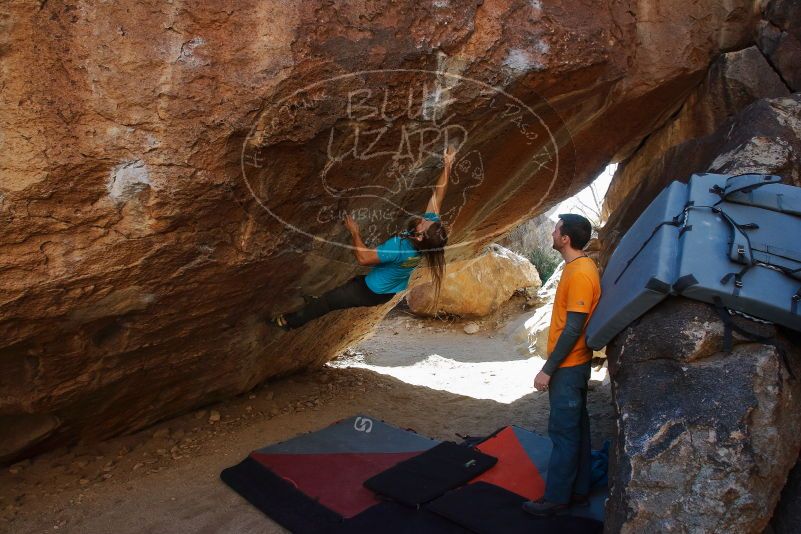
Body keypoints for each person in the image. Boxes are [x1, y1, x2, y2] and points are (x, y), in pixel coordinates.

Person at [271, 146, 455, 330]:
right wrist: (448, 164)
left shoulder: (400, 248)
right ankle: (321, 301)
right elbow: (438, 197)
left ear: (421, 236)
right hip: (385, 289)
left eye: (424, 224)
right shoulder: (429, 238)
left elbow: (364, 258)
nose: (423, 219)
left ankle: (287, 322)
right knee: (350, 285)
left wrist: (354, 232)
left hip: (371, 291)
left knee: (328, 303)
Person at [523, 213, 601, 516]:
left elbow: (573, 328)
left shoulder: (580, 273)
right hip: (574, 364)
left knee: (563, 433)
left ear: (565, 238)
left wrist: (548, 369)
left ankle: (556, 498)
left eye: (556, 230)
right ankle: (579, 491)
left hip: (568, 367)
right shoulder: (577, 267)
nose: (552, 234)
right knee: (577, 430)